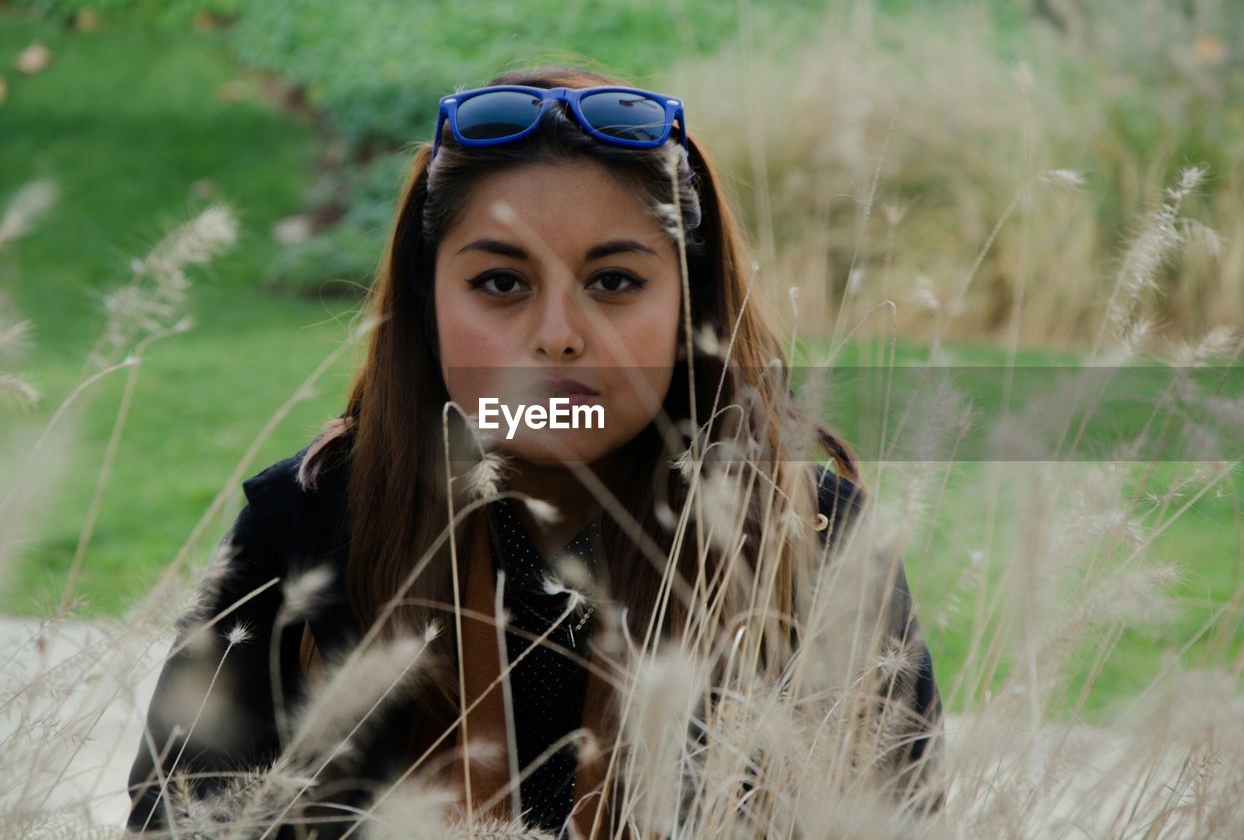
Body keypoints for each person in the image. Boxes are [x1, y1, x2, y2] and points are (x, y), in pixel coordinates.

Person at [125, 65, 944, 838]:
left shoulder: (813, 541)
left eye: (615, 282)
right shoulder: (304, 524)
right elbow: (178, 816)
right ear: (429, 301)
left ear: (687, 303)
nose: (558, 335)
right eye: (501, 283)